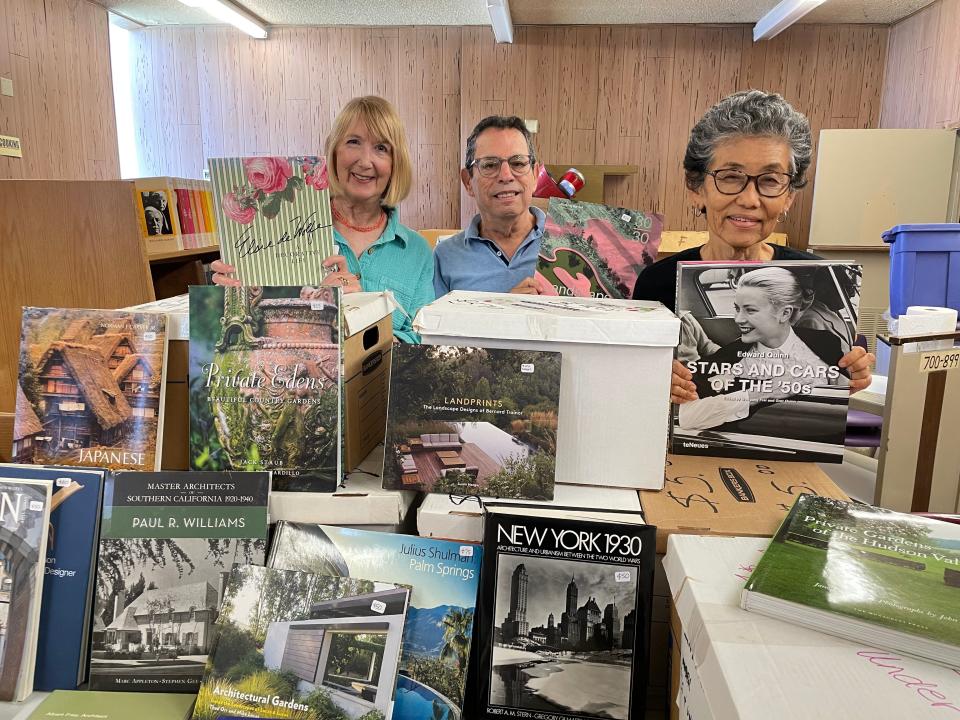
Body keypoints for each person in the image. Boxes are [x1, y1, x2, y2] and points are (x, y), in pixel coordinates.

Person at [629, 90, 873, 402]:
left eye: (770, 181)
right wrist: (653, 376)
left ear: (789, 196)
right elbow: (632, 381)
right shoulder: (656, 283)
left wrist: (855, 369)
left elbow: (848, 364)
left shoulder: (820, 290)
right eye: (731, 177)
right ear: (696, 188)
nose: (749, 199)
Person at [212, 96, 434, 344]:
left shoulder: (417, 251)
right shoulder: (280, 232)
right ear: (333, 151)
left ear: (395, 163)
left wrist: (366, 315)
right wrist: (231, 291)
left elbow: (424, 339)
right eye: (353, 142)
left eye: (381, 148)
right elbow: (256, 325)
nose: (365, 161)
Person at [677, 266, 847, 432]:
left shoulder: (826, 342)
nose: (738, 319)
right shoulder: (725, 358)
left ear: (785, 313)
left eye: (750, 310)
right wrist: (766, 391)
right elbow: (688, 417)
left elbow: (845, 391)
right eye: (737, 309)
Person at [433, 115, 546, 296]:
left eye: (518, 163)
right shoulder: (445, 257)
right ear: (468, 181)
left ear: (535, 174)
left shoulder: (574, 248)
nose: (506, 175)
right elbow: (431, 324)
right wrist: (503, 310)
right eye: (490, 165)